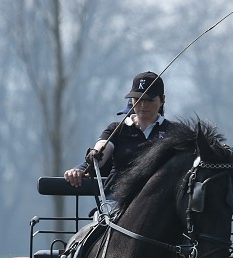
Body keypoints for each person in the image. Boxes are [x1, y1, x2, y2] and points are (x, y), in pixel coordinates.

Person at [63, 71, 177, 203]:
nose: (142, 105)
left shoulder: (174, 132)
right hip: (116, 201)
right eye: (138, 99)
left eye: (149, 100)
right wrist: (93, 156)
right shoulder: (117, 129)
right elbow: (102, 152)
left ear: (162, 99)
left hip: (160, 202)